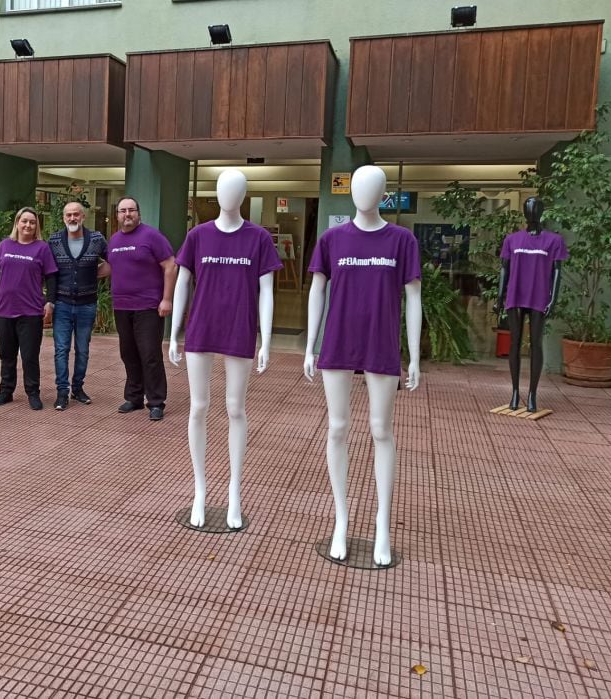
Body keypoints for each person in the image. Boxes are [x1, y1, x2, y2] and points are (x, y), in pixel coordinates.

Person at [303, 165, 422, 567]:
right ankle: (341, 519)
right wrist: (309, 347)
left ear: (384, 193)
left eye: (372, 187)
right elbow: (317, 290)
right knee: (337, 427)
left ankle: (382, 524)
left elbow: (413, 298)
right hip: (337, 341)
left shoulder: (402, 240)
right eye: (356, 186)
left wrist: (415, 355)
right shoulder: (332, 239)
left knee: (381, 431)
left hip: (382, 344)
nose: (363, 193)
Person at [169, 170, 281, 529]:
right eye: (221, 188)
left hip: (239, 328)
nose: (227, 195)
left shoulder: (259, 238)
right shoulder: (198, 235)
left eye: (234, 190)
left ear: (244, 195)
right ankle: (199, 490)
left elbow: (267, 290)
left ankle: (235, 491)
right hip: (201, 328)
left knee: (236, 408)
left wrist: (266, 337)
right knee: (198, 407)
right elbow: (183, 281)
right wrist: (174, 334)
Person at [108, 196, 177, 421]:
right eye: (122, 211)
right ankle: (134, 397)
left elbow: (170, 266)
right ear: (117, 215)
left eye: (131, 210)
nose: (127, 214)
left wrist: (166, 299)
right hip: (121, 305)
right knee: (128, 353)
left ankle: (156, 401)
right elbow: (111, 268)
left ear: (138, 213)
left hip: (148, 306)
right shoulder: (114, 240)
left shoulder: (152, 236)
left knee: (150, 354)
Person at [496, 196, 566, 412]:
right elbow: (504, 269)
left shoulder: (554, 240)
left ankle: (533, 393)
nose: (531, 213)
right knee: (514, 343)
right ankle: (515, 392)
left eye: (535, 209)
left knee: (536, 343)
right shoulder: (512, 240)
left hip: (538, 296)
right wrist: (499, 297)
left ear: (542, 212)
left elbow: (557, 271)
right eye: (528, 208)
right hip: (515, 295)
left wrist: (553, 299)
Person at [0, 207, 57, 410]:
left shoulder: (42, 248)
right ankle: (6, 391)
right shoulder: (4, 245)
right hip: (4, 308)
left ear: (36, 226)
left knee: (29, 355)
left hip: (31, 311)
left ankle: (33, 393)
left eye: (32, 222)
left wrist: (50, 302)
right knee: (6, 353)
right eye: (24, 221)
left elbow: (52, 277)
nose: (28, 225)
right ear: (17, 223)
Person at [47, 201, 109, 410]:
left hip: (87, 305)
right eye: (68, 215)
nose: (72, 218)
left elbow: (114, 261)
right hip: (62, 305)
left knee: (82, 349)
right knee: (61, 349)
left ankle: (78, 388)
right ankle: (62, 392)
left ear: (83, 217)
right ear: (63, 218)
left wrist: (97, 273)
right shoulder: (54, 240)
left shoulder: (97, 239)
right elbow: (48, 271)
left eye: (76, 215)